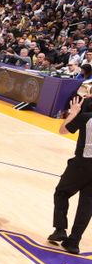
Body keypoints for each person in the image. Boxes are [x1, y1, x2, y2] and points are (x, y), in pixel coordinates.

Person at [48, 94, 92, 254]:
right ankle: (74, 242)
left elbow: (63, 130)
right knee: (87, 205)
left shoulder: (87, 117)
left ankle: (60, 229)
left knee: (61, 192)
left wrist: (73, 112)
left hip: (82, 163)